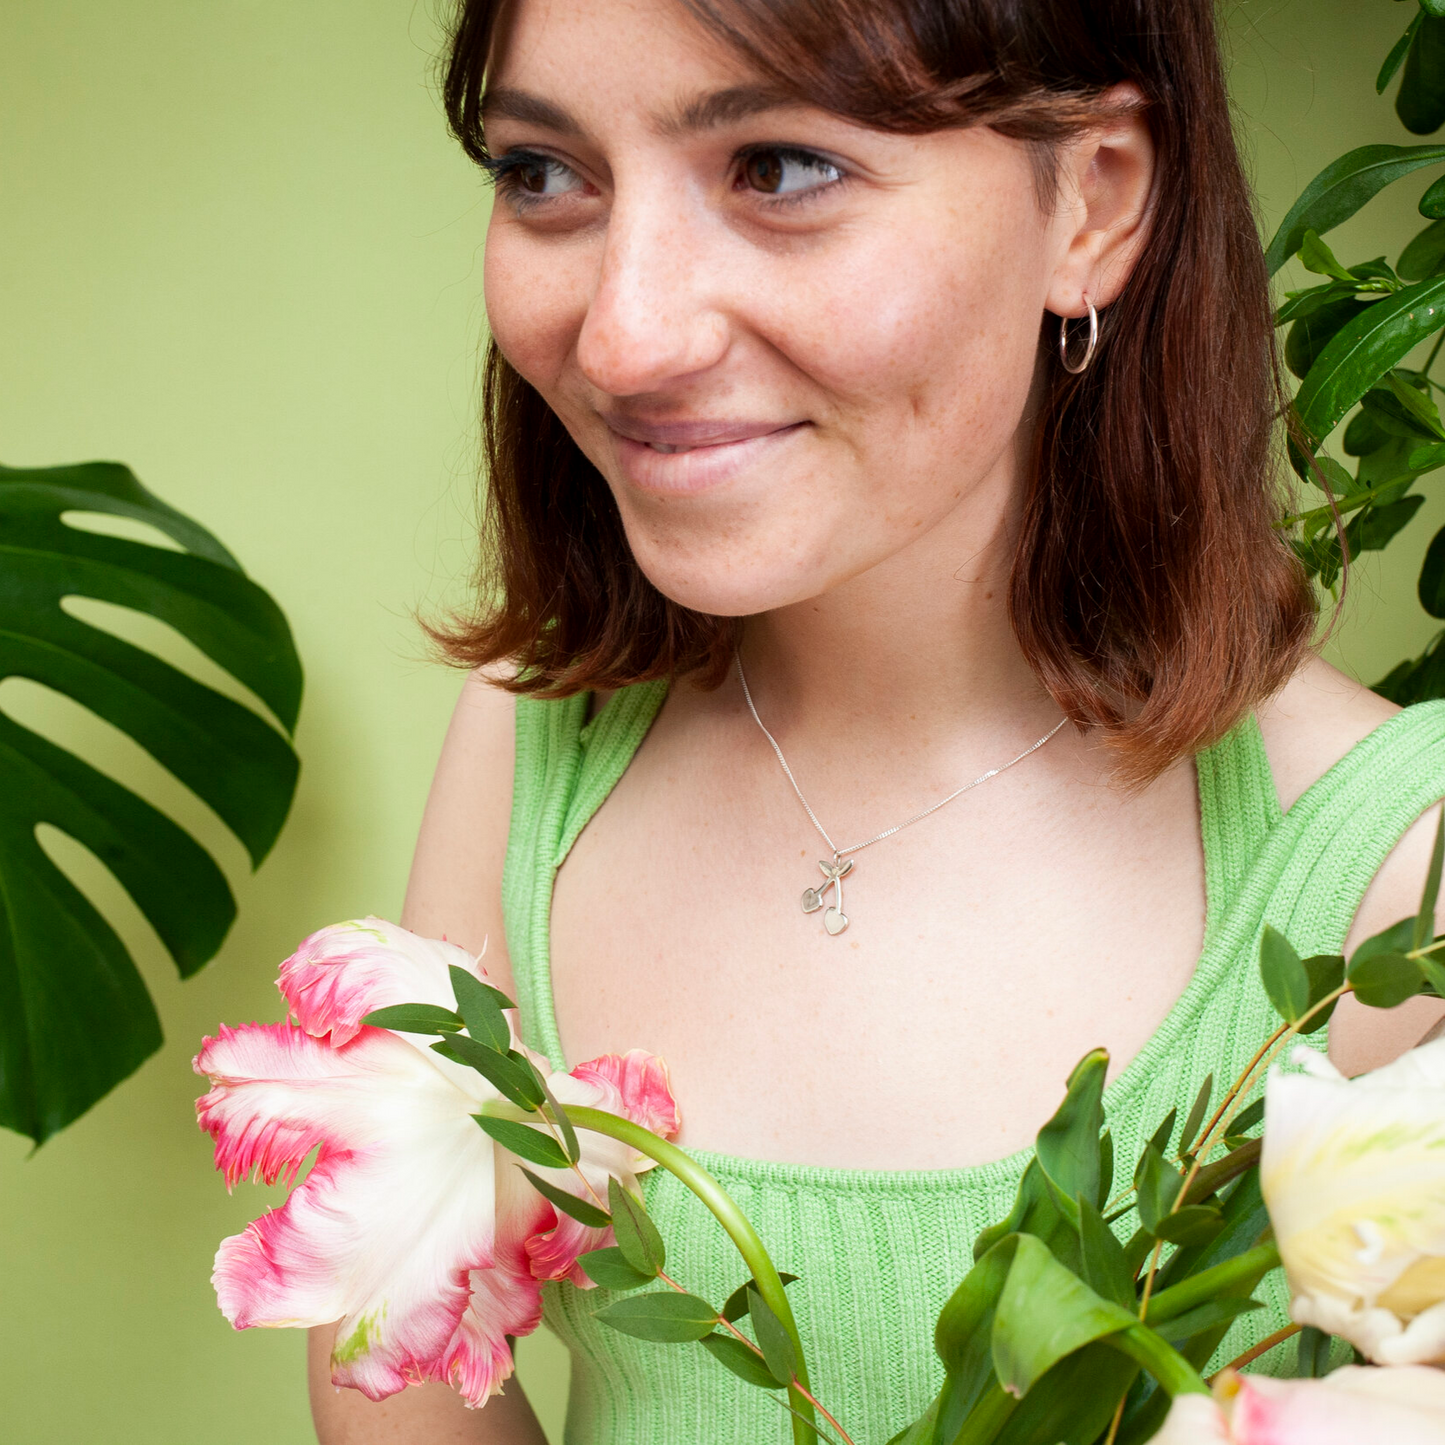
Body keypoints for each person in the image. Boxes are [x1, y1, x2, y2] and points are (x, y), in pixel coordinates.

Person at [309, 0, 1445, 1440]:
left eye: (779, 168)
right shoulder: (538, 734)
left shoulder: (1403, 876)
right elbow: (393, 1363)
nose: (623, 333)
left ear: (1091, 200)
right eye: (545, 172)